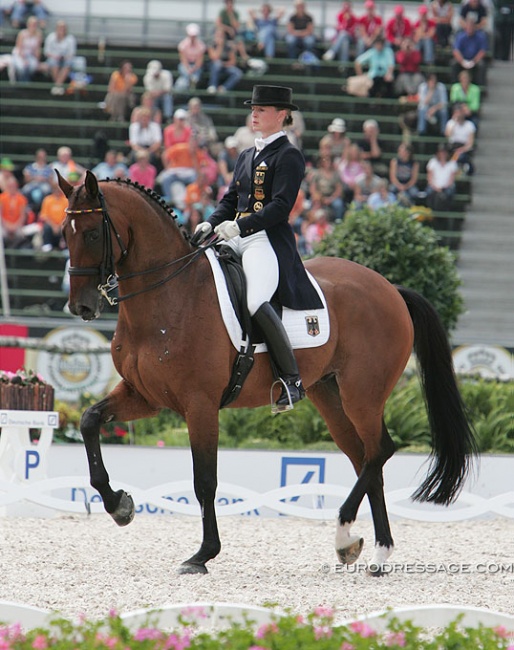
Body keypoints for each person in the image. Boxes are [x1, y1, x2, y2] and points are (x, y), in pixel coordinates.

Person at [193, 85, 323, 410]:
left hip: (264, 239)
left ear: (281, 115)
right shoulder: (247, 154)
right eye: (253, 109)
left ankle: (291, 381)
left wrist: (241, 225)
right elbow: (230, 200)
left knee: (254, 301)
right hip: (233, 233)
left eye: (261, 110)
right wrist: (210, 223)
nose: (254, 114)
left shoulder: (289, 155)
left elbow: (281, 206)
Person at [43, 20, 76, 95]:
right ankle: (59, 86)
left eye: (63, 27)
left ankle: (57, 86)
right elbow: (47, 52)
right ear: (56, 28)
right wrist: (55, 56)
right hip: (53, 59)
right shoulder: (50, 37)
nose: (62, 29)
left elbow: (72, 53)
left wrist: (64, 57)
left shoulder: (70, 39)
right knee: (53, 62)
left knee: (69, 62)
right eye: (60, 27)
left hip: (66, 59)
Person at [452, 17, 488, 87]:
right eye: (468, 27)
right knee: (453, 64)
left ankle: (480, 88)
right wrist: (462, 61)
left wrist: (474, 61)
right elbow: (456, 51)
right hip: (462, 60)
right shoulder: (460, 36)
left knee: (482, 65)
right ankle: (454, 87)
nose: (470, 29)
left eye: (471, 27)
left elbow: (482, 51)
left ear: (474, 27)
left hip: (475, 60)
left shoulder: (480, 36)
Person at [309, 154, 345, 222]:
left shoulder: (336, 174)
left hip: (332, 196)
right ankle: (313, 221)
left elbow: (339, 189)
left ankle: (338, 221)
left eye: (328, 161)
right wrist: (320, 198)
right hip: (319, 196)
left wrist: (331, 199)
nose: (327, 163)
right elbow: (313, 188)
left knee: (338, 204)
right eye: (325, 161)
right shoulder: (317, 173)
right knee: (313, 202)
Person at [207, 29, 244, 94]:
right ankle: (213, 86)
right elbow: (214, 57)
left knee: (237, 73)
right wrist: (220, 46)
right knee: (217, 64)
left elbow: (233, 61)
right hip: (213, 67)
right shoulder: (211, 44)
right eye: (217, 35)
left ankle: (224, 88)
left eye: (221, 35)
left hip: (225, 66)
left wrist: (224, 64)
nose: (219, 37)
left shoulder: (228, 46)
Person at [444, 102, 476, 175]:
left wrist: (461, 150)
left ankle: (463, 170)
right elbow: (448, 135)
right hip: (452, 146)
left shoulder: (470, 125)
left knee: (461, 157)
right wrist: (455, 122)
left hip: (463, 148)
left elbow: (470, 144)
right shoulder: (450, 123)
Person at [425, 143, 458, 210]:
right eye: (441, 152)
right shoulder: (432, 162)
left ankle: (446, 210)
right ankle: (432, 210)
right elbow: (429, 178)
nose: (443, 154)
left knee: (449, 193)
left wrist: (443, 188)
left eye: (444, 152)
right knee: (429, 192)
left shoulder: (452, 163)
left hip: (447, 186)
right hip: (434, 186)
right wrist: (436, 187)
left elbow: (451, 179)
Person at [0, 175, 30, 248]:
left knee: (21, 235)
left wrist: (15, 226)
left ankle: (16, 256)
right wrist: (7, 226)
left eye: (13, 185)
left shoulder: (21, 198)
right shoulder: (2, 197)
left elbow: (23, 216)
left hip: (17, 225)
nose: (12, 187)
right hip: (4, 225)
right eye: (10, 185)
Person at [38, 179, 68, 250]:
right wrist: (54, 226)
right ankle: (47, 245)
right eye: (55, 189)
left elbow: (67, 215)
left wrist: (60, 225)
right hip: (51, 225)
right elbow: (44, 216)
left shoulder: (65, 200)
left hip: (62, 224)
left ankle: (65, 246)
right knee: (46, 227)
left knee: (66, 228)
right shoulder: (47, 200)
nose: (57, 191)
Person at [21, 148, 53, 214]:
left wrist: (44, 179)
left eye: (43, 156)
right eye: (40, 156)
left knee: (47, 190)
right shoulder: (30, 167)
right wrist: (35, 178)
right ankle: (27, 207)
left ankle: (42, 208)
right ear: (36, 157)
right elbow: (26, 179)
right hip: (32, 183)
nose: (41, 158)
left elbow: (51, 180)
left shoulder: (48, 168)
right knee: (25, 190)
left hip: (44, 184)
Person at [176, 23, 206, 92]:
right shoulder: (183, 44)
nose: (193, 37)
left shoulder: (201, 45)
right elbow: (183, 59)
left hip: (196, 65)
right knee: (185, 72)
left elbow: (199, 61)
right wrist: (188, 68)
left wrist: (194, 68)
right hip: (185, 65)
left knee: (194, 73)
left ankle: (187, 83)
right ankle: (191, 81)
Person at [10, 15, 42, 82]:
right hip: (20, 54)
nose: (33, 26)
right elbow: (19, 48)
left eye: (35, 24)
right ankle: (21, 83)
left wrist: (37, 58)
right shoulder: (22, 33)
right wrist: (24, 59)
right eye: (32, 24)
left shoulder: (39, 34)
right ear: (28, 24)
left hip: (31, 55)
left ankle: (27, 83)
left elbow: (37, 49)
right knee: (21, 67)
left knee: (33, 66)